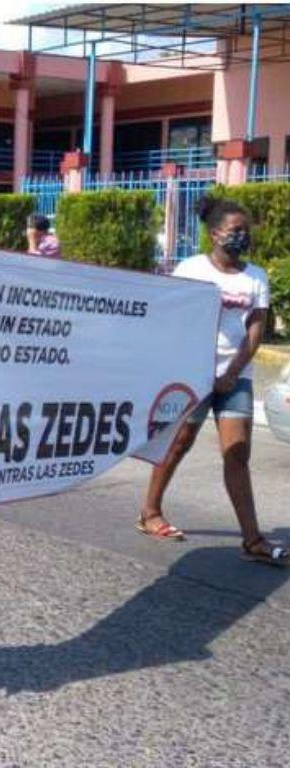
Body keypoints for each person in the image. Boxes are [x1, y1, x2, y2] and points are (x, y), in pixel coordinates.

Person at [138, 198, 286, 566]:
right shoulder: (192, 269)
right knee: (179, 443)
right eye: (235, 230)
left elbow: (255, 328)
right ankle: (149, 512)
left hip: (236, 376)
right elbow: (174, 317)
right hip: (193, 372)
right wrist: (194, 367)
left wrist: (233, 372)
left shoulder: (256, 276)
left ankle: (252, 538)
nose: (242, 237)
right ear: (215, 233)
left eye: (245, 231)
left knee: (237, 454)